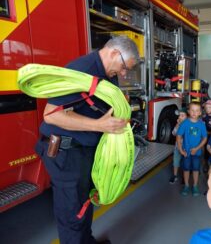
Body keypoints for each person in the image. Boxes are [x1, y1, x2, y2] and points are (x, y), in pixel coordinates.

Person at [34, 36, 139, 244]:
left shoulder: (107, 74)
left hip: (83, 152)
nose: (124, 73)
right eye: (125, 67)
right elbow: (51, 114)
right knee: (72, 214)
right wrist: (99, 125)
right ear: (113, 53)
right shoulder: (81, 70)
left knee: (85, 203)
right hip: (66, 154)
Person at [177, 102, 207, 196]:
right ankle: (186, 185)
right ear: (189, 111)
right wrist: (181, 150)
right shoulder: (185, 123)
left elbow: (205, 138)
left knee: (195, 169)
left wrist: (197, 148)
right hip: (186, 152)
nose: (194, 113)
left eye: (197, 111)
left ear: (200, 113)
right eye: (192, 110)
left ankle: (195, 186)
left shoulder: (201, 124)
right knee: (186, 169)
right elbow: (178, 136)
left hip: (197, 153)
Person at [169, 107, 188, 184]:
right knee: (176, 161)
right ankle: (175, 175)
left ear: (187, 117)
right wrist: (177, 125)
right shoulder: (178, 124)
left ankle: (184, 176)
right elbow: (173, 133)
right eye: (179, 115)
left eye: (182, 115)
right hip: (177, 147)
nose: (180, 117)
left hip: (186, 148)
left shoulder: (188, 125)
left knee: (185, 163)